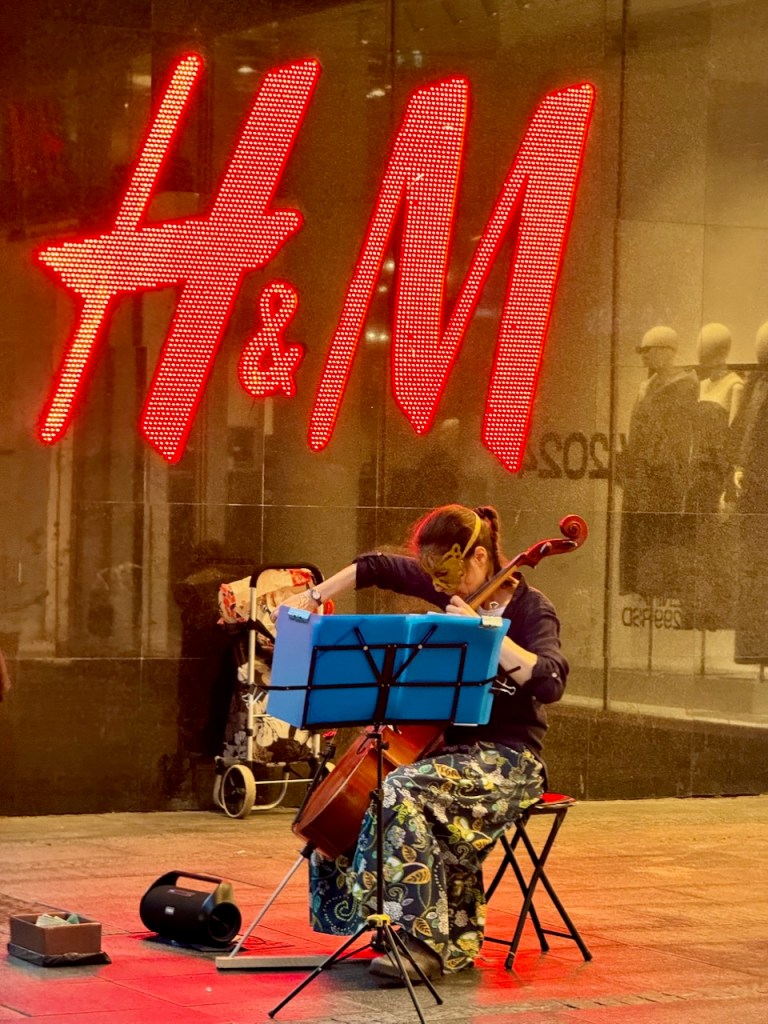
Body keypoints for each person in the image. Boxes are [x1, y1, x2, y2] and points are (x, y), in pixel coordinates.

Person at [275, 504, 568, 983]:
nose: (443, 588)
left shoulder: (531, 609)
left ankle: (422, 943)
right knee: (370, 794)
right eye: (434, 578)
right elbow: (376, 567)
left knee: (399, 792)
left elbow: (551, 680)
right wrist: (313, 596)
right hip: (446, 753)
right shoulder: (450, 585)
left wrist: (488, 636)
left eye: (450, 575)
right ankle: (407, 928)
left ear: (479, 557)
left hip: (509, 761)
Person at [618, 326, 699, 598]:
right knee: (642, 540)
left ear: (666, 352)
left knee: (660, 539)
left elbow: (678, 439)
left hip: (665, 482)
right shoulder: (647, 388)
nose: (643, 357)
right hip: (642, 482)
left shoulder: (686, 388)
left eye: (648, 351)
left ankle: (660, 589)